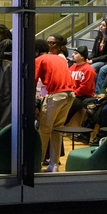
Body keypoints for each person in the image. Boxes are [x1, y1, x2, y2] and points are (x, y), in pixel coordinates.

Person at [35, 39, 75, 172]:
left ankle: (37, 164)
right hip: (70, 94)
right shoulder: (59, 58)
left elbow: (32, 82)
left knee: (44, 130)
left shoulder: (39, 60)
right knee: (57, 130)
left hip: (56, 95)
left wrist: (34, 105)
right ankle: (54, 165)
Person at [66, 46, 97, 126]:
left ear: (82, 56)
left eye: (76, 53)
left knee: (73, 103)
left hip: (83, 97)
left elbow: (85, 88)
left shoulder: (88, 70)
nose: (72, 55)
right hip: (71, 93)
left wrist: (73, 94)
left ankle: (62, 124)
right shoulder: (72, 67)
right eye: (73, 53)